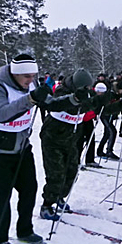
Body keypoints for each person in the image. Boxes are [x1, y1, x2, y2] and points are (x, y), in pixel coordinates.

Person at [0, 54, 76, 244]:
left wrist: (74, 99)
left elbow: (51, 104)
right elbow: (1, 114)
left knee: (29, 189)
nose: (30, 80)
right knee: (1, 196)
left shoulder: (31, 86)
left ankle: (25, 231)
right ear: (16, 73)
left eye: (33, 75)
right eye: (26, 76)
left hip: (22, 148)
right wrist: (31, 99)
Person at [40, 69, 102, 220]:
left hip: (71, 139)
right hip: (53, 138)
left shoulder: (85, 92)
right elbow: (72, 108)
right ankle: (47, 205)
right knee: (56, 174)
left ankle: (60, 197)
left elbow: (91, 107)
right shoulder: (61, 92)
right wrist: (87, 102)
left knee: (72, 172)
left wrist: (106, 101)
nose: (87, 90)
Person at [77, 82, 107, 168]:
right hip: (82, 119)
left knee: (91, 139)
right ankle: (76, 161)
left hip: (89, 119)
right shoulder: (90, 94)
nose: (101, 94)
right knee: (80, 141)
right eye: (100, 92)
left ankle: (90, 160)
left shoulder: (100, 97)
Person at [97, 82, 122, 160]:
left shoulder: (120, 94)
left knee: (107, 133)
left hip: (111, 115)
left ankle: (100, 150)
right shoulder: (111, 94)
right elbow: (108, 105)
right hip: (105, 115)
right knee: (112, 132)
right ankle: (109, 151)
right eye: (121, 90)